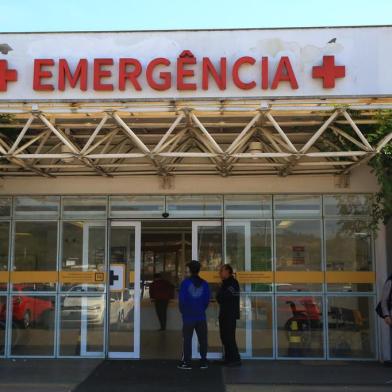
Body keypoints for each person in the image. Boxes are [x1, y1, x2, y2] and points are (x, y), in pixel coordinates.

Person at [177, 260, 210, 370]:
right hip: (201, 316)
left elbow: (181, 300)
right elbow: (206, 300)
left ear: (190, 270)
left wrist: (184, 311)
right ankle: (203, 361)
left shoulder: (185, 283)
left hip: (188, 316)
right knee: (203, 339)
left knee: (187, 339)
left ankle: (187, 362)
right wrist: (200, 309)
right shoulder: (205, 284)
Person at [216, 264, 241, 367]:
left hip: (230, 315)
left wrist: (220, 295)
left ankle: (235, 359)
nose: (220, 273)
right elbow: (219, 297)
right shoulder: (225, 283)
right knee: (224, 337)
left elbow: (223, 297)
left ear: (227, 272)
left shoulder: (233, 283)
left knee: (229, 337)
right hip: (224, 314)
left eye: (222, 271)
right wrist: (220, 295)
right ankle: (228, 359)